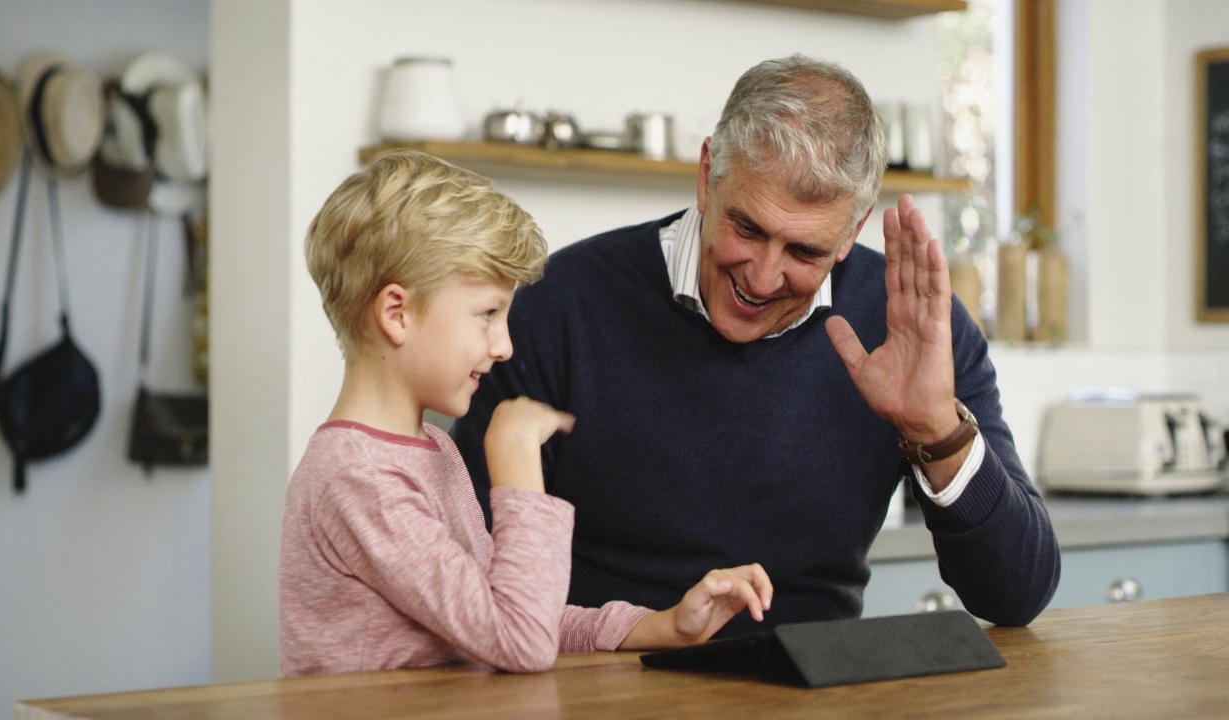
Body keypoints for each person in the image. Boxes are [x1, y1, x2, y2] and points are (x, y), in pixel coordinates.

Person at [452, 55, 1061, 636]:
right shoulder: (559, 305)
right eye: (747, 228)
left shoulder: (914, 328)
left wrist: (935, 431)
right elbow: (472, 588)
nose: (763, 278)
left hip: (815, 692)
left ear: (854, 227)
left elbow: (1017, 595)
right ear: (706, 175)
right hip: (600, 689)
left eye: (805, 252)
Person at [279, 149, 773, 676]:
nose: (505, 346)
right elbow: (521, 639)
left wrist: (662, 626)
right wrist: (516, 469)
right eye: (487, 314)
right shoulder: (360, 482)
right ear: (397, 313)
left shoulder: (430, 450)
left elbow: (510, 608)